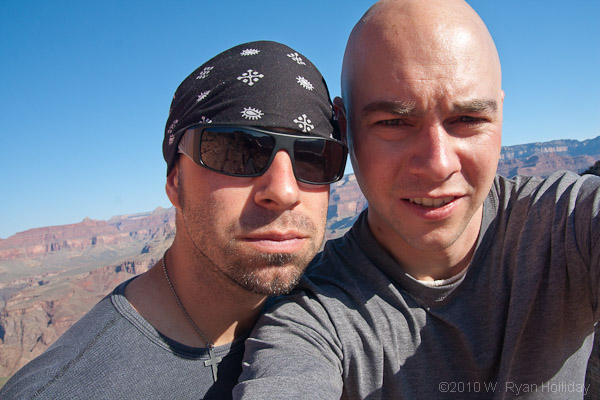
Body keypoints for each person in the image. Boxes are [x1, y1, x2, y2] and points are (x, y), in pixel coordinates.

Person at [233, 1, 600, 399]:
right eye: (393, 122)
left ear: (499, 114)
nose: (437, 165)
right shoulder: (313, 317)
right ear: (345, 128)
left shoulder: (569, 225)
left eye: (468, 119)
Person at [0, 40, 346, 399]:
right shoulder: (61, 390)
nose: (285, 191)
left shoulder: (339, 304)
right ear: (174, 182)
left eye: (314, 156)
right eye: (238, 151)